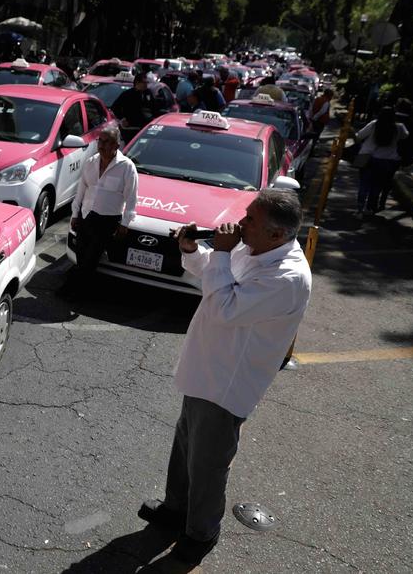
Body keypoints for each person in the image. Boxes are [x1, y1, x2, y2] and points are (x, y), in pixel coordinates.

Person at [140, 189, 311, 569]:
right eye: (246, 215)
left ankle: (201, 532)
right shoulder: (254, 248)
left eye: (250, 220)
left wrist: (219, 252)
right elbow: (217, 277)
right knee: (185, 446)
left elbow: (224, 307)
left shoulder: (288, 276)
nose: (241, 223)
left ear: (277, 235)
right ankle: (175, 509)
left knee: (208, 463)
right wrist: (193, 251)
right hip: (206, 368)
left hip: (226, 383)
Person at [62, 126, 137, 296]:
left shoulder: (127, 167)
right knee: (81, 255)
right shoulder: (91, 162)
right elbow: (81, 190)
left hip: (107, 220)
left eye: (106, 142)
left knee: (90, 258)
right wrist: (75, 214)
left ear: (116, 145)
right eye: (100, 141)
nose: (101, 145)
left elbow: (131, 198)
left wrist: (125, 223)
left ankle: (74, 292)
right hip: (87, 215)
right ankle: (81, 290)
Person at [354, 107, 409, 216]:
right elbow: (405, 136)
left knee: (364, 184)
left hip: (367, 158)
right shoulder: (399, 127)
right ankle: (370, 208)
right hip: (387, 161)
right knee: (377, 186)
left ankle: (360, 209)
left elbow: (359, 136)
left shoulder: (374, 124)